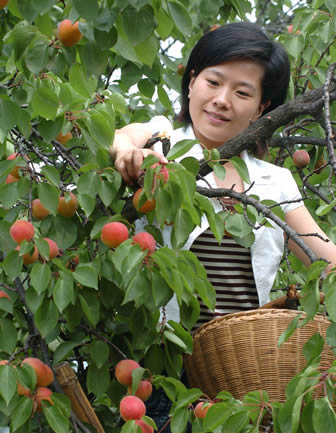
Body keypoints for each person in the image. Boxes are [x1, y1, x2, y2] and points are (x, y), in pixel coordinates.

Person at [110, 21, 336, 429]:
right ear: (192, 81)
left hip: (244, 372)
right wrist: (131, 152)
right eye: (213, 81)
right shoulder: (163, 146)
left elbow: (323, 256)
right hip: (165, 372)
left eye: (243, 92)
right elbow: (128, 135)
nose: (222, 100)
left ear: (263, 108)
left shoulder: (273, 181)